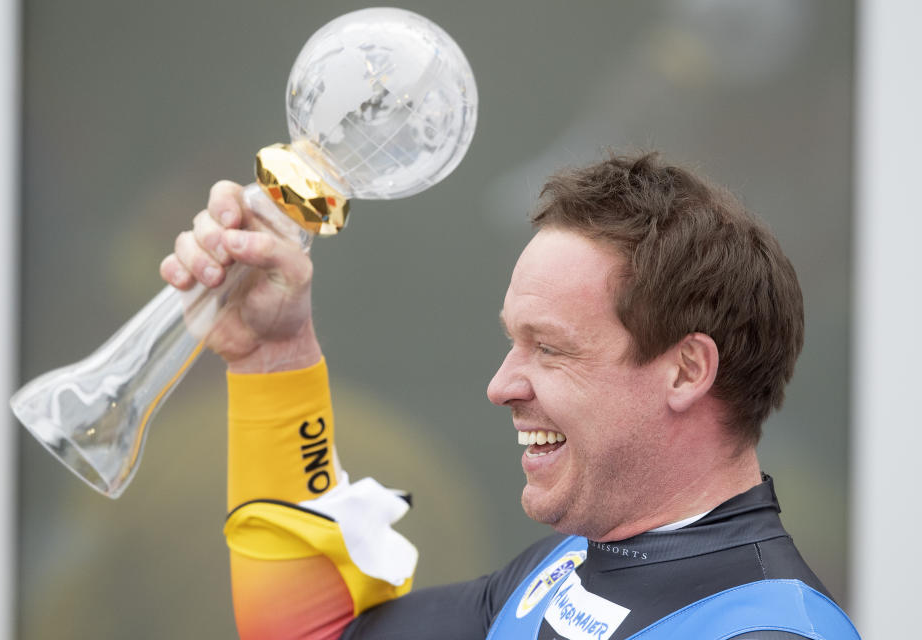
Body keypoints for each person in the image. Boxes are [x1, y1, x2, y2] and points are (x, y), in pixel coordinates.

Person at [160, 152, 860, 639]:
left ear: (686, 370)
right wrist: (274, 362)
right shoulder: (561, 567)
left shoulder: (772, 630)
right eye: (511, 342)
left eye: (549, 348)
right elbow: (315, 633)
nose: (501, 386)